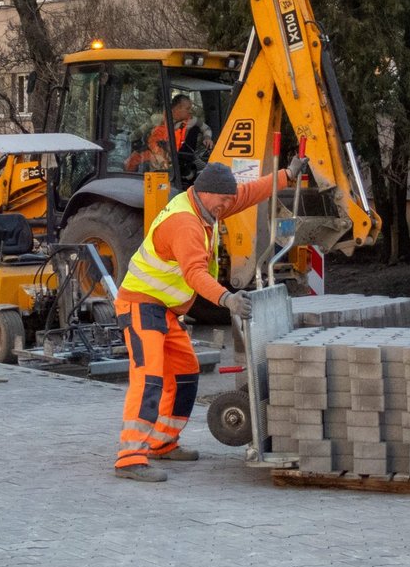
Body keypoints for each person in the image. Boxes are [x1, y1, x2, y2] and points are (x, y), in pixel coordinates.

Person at [113, 157, 306, 482]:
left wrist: (286, 175)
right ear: (204, 193)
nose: (228, 205)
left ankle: (162, 442)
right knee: (149, 378)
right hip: (140, 305)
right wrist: (227, 299)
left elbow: (248, 193)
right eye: (223, 200)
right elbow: (194, 273)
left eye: (228, 201)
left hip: (164, 309)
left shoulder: (208, 206)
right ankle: (130, 456)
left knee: (186, 372)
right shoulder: (186, 223)